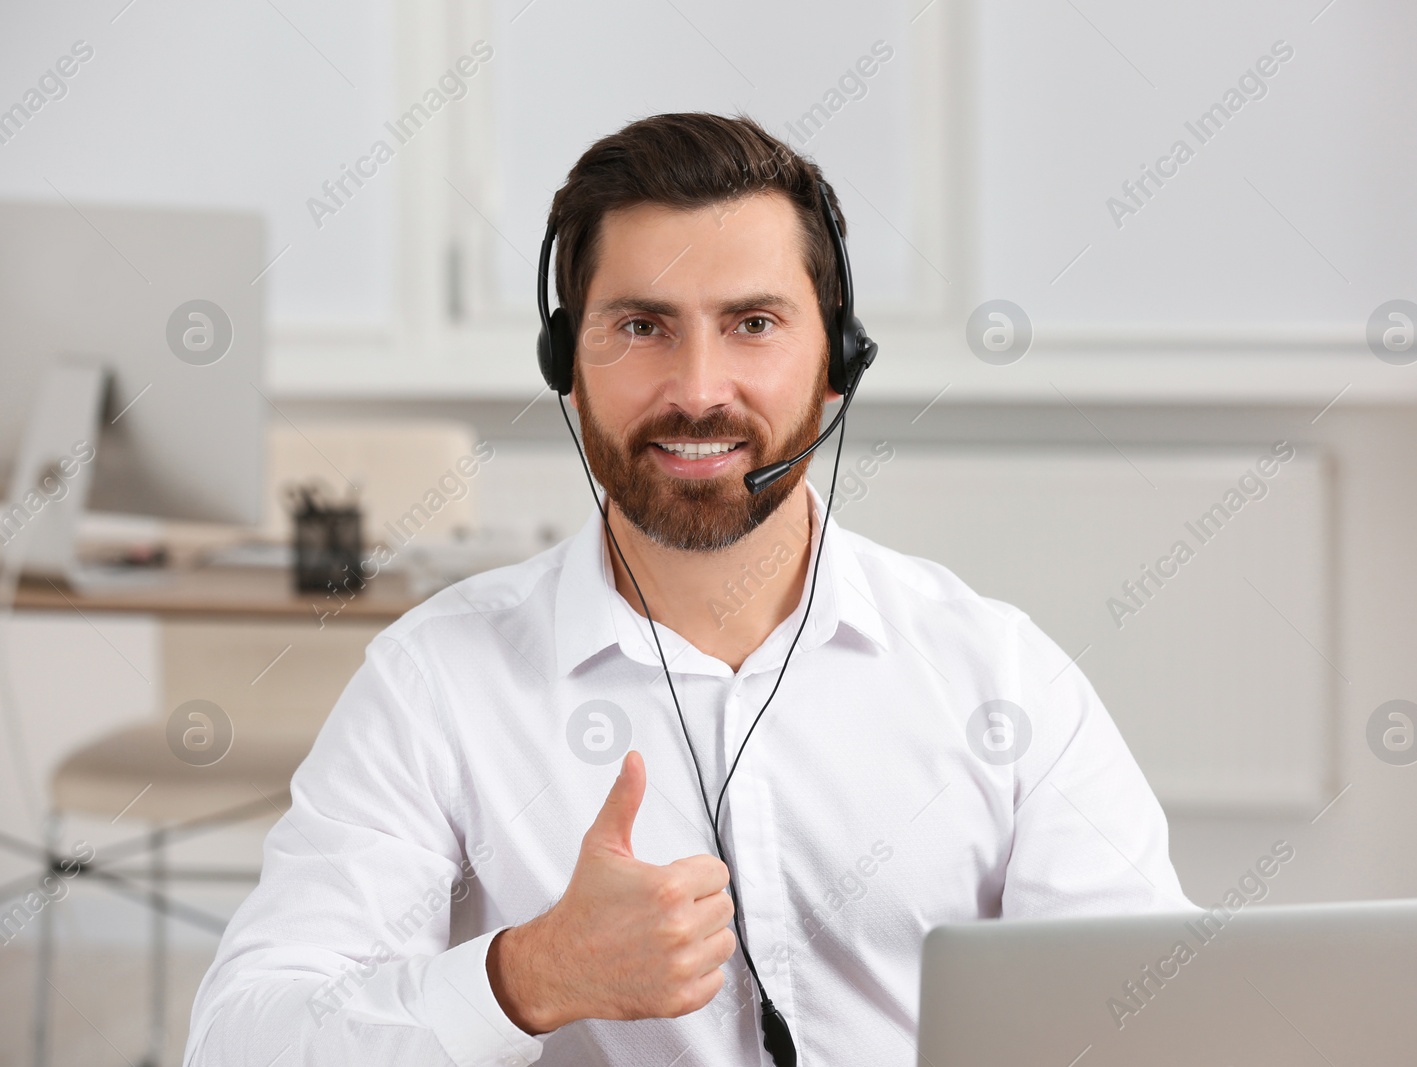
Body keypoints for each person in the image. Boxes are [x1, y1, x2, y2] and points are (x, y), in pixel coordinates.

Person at [184, 112, 1190, 1067]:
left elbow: (1151, 1016)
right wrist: (529, 974)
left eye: (753, 322)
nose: (699, 388)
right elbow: (244, 1041)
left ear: (838, 362)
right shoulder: (435, 681)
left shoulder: (998, 675)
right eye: (641, 325)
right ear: (564, 364)